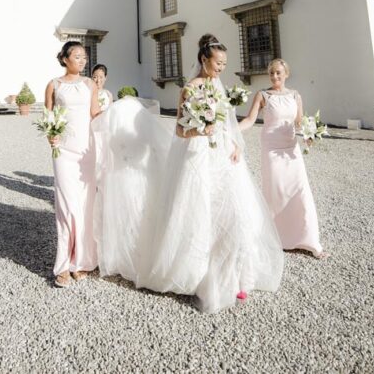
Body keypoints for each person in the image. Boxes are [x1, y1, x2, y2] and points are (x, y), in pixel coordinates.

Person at [93, 33, 284, 313]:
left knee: (234, 213)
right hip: (196, 156)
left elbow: (228, 124)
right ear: (204, 60)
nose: (221, 68)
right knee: (197, 213)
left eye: (224, 64)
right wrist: (200, 130)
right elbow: (181, 131)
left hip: (223, 156)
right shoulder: (189, 89)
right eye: (217, 63)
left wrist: (235, 145)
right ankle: (196, 275)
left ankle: (234, 274)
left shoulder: (217, 87)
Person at [239, 59, 328, 259]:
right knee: (276, 192)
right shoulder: (263, 95)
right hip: (271, 149)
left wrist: (309, 135)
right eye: (271, 73)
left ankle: (309, 241)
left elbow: (299, 122)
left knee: (300, 191)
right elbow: (250, 120)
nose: (274, 76)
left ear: (286, 74)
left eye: (278, 73)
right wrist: (232, 130)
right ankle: (276, 239)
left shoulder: (295, 96)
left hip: (291, 150)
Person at [44, 41, 101, 288]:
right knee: (67, 207)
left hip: (86, 152)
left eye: (84, 57)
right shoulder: (53, 85)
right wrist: (50, 135)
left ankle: (82, 261)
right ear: (65, 58)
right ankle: (63, 265)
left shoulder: (90, 84)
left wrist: (116, 117)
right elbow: (48, 116)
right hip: (63, 152)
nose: (82, 60)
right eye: (77, 56)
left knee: (86, 206)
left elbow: (95, 113)